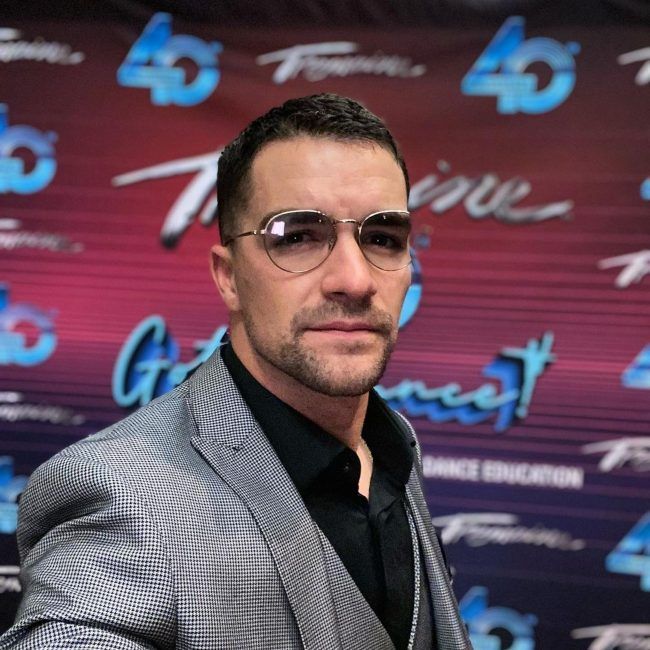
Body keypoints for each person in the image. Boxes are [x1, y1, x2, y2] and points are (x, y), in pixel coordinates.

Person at [0, 94, 471, 650]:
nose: (355, 279)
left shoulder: (393, 443)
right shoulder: (122, 494)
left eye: (383, 238)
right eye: (296, 236)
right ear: (228, 277)